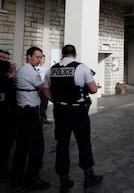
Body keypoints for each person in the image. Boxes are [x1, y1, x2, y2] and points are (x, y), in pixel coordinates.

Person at [43, 44, 103, 192]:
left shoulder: (52, 70)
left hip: (60, 111)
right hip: (78, 112)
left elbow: (45, 89)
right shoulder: (82, 68)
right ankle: (89, 177)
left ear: (62, 55)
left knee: (62, 144)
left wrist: (55, 101)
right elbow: (94, 89)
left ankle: (64, 180)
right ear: (75, 54)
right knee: (84, 142)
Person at [11, 46, 50, 190]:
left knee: (22, 147)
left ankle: (17, 178)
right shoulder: (29, 70)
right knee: (36, 147)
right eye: (37, 57)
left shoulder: (24, 69)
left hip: (23, 112)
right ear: (29, 56)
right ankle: (32, 178)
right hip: (29, 113)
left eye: (40, 57)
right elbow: (43, 89)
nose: (39, 59)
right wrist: (57, 101)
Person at [36, 54, 52, 124]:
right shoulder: (34, 68)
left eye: (44, 59)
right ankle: (38, 118)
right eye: (42, 58)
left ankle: (43, 117)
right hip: (36, 89)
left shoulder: (46, 69)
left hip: (44, 89)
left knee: (44, 103)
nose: (43, 60)